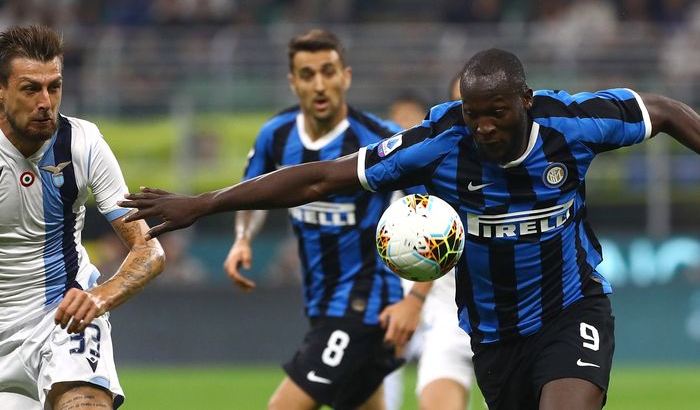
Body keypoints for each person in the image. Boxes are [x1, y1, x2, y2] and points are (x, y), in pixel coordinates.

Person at [119, 48, 700, 410]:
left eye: (497, 112)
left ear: (525, 100)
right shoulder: (439, 140)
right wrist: (204, 203)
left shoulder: (575, 121)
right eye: (474, 114)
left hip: (573, 309)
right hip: (494, 335)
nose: (484, 127)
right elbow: (324, 178)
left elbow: (668, 113)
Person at [219, 28, 421, 410]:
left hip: (368, 305)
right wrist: (242, 238)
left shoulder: (379, 139)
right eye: (308, 75)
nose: (320, 85)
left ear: (346, 76)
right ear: (293, 82)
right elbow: (252, 195)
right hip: (319, 304)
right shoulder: (276, 136)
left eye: (328, 72)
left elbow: (436, 217)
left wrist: (415, 301)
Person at [0, 25, 165, 410]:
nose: (45, 101)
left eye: (53, 87)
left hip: (61, 319)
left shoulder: (82, 143)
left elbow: (149, 248)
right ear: (1, 91)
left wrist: (98, 297)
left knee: (86, 403)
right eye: (30, 89)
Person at [383, 81, 475, 410]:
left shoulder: (525, 167)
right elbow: (434, 244)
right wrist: (413, 301)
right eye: (463, 107)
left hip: (519, 320)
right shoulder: (428, 170)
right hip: (449, 317)